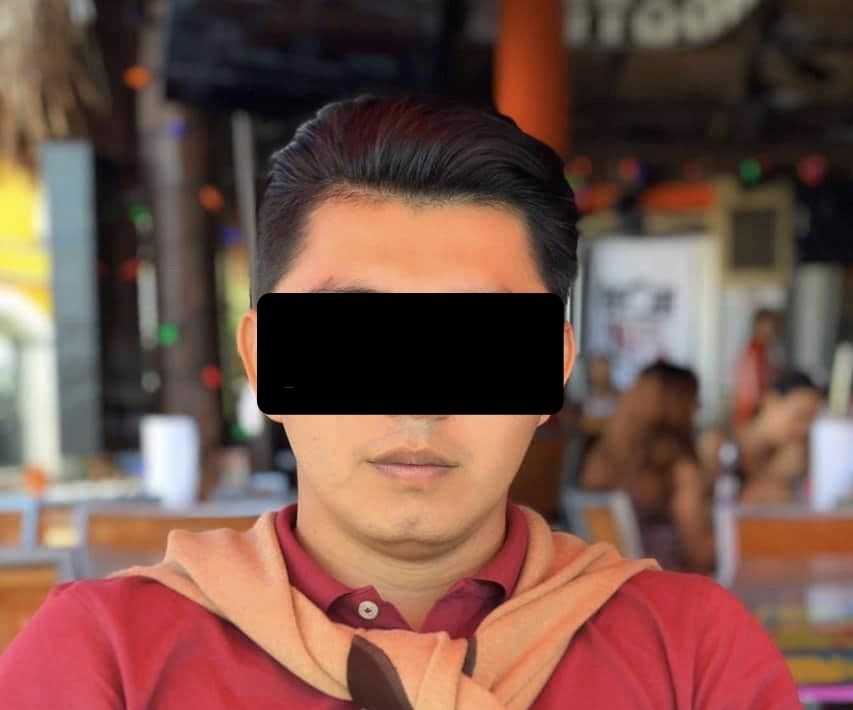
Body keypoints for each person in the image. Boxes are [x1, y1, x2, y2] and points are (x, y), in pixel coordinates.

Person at [0, 96, 799, 708]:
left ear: (550, 371)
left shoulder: (692, 656)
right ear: (262, 358)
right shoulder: (103, 658)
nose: (416, 407)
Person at [580, 360, 716, 574]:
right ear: (678, 405)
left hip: (615, 582)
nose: (698, 407)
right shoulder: (679, 468)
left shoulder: (602, 459)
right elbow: (699, 554)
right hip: (667, 582)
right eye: (693, 399)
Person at [701, 370, 824, 505]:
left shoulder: (796, 454)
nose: (804, 429)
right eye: (799, 416)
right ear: (769, 401)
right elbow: (705, 507)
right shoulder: (717, 446)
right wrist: (776, 475)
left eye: (812, 421)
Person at [732, 308, 785, 427]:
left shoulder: (769, 351)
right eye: (770, 326)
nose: (774, 331)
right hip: (753, 415)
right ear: (758, 326)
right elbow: (750, 393)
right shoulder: (753, 353)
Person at [579, 354, 619, 435]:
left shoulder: (619, 398)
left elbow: (619, 423)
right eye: (597, 370)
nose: (601, 374)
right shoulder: (584, 400)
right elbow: (583, 424)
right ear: (591, 373)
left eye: (603, 370)